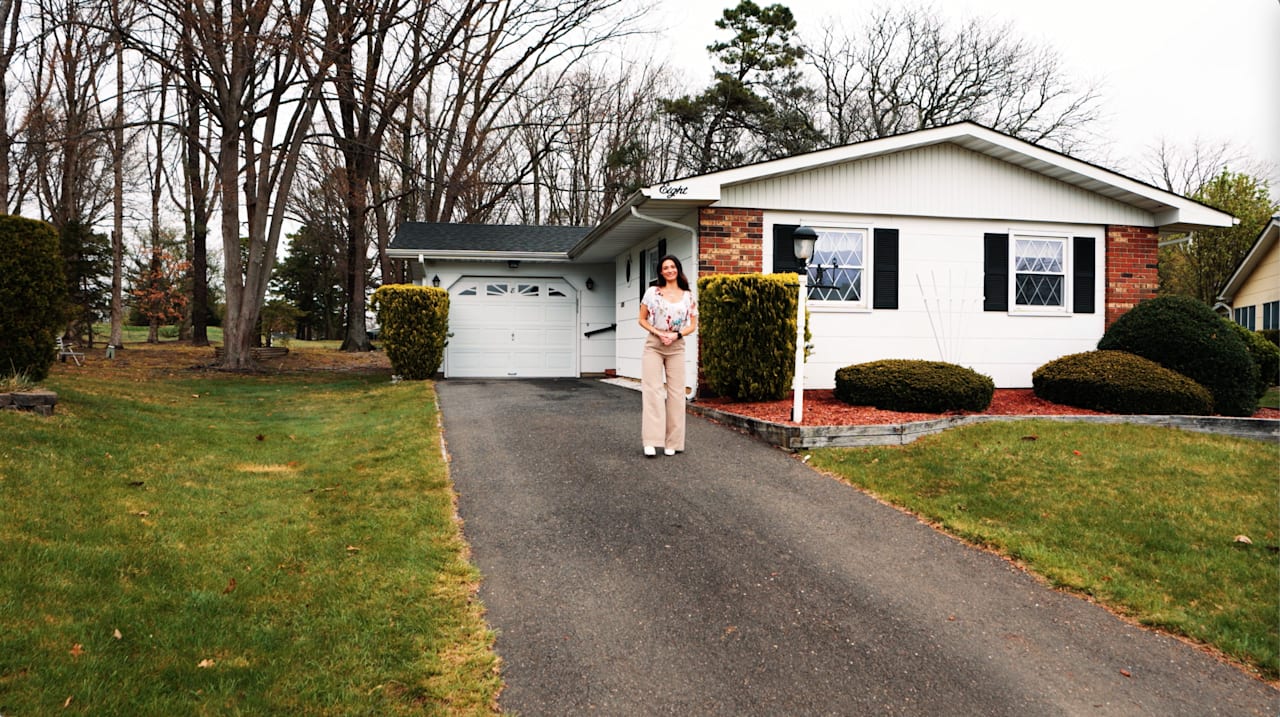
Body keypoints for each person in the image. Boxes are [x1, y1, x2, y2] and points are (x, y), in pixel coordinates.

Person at [638, 254, 698, 457]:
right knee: (653, 391)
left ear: (678, 270)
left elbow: (692, 325)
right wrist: (659, 333)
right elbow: (642, 319)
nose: (669, 270)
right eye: (665, 268)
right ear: (661, 272)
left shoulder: (688, 296)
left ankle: (673, 442)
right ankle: (652, 441)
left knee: (676, 394)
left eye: (673, 267)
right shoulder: (653, 292)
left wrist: (676, 335)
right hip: (654, 345)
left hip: (676, 346)